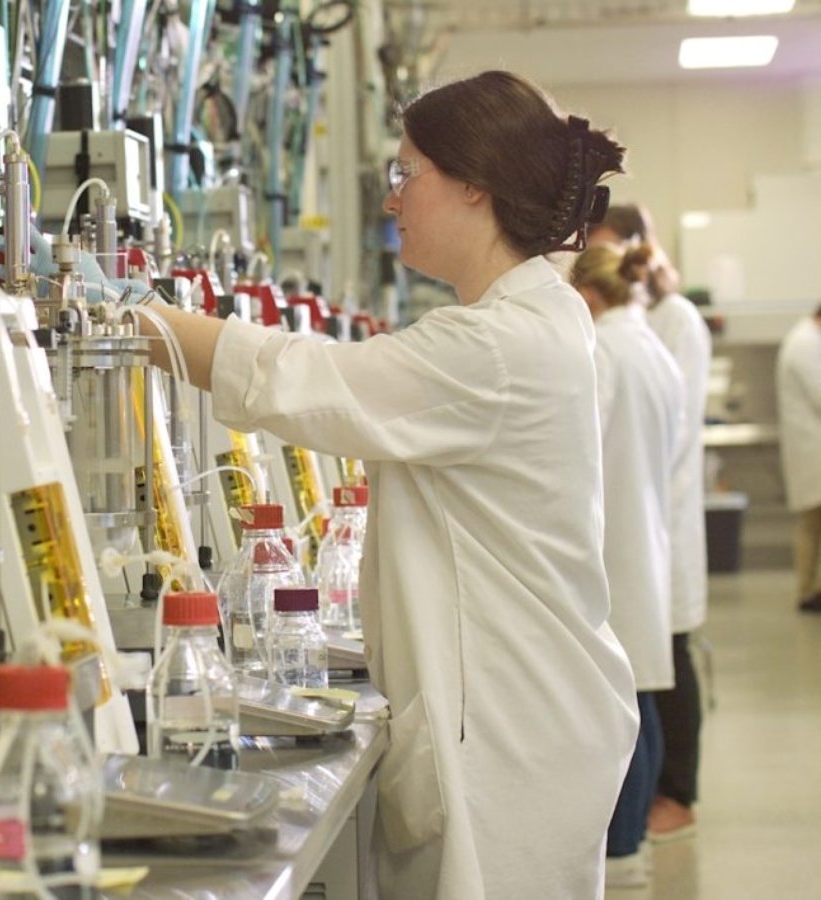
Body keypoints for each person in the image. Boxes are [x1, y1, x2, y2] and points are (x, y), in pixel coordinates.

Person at [136, 70, 639, 899]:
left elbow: (307, 380)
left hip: (508, 734)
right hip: (521, 712)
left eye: (407, 174)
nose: (391, 200)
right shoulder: (535, 319)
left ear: (475, 183)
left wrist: (135, 319)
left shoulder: (501, 346)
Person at [587, 203, 711, 841]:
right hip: (648, 515)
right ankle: (645, 814)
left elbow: (670, 434)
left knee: (656, 675)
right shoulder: (639, 334)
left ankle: (667, 802)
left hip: (656, 511)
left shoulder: (662, 326)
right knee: (647, 675)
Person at [570, 242, 683, 888]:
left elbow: (580, 446)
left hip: (618, 540)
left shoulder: (608, 350)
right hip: (643, 536)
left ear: (589, 296)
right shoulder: (651, 349)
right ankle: (632, 842)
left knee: (627, 708)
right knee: (640, 696)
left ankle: (625, 846)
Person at [777, 303, 821, 613]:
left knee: (813, 523)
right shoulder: (805, 343)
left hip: (811, 447)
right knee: (811, 523)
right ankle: (807, 591)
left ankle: (810, 589)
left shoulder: (807, 339)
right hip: (811, 448)